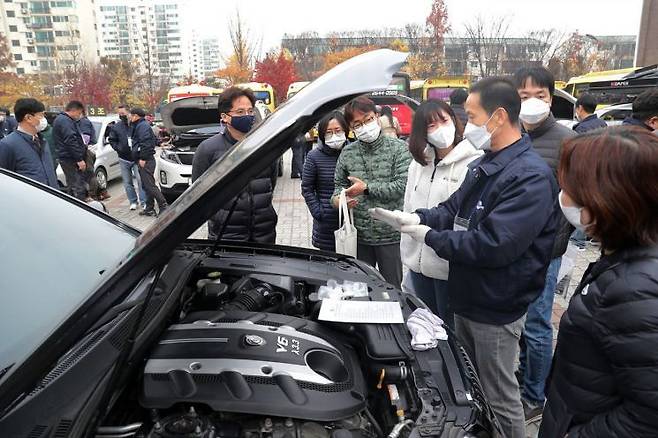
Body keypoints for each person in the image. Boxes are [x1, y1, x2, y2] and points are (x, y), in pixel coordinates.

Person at [373, 77, 559, 438]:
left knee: (499, 396)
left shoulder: (529, 176)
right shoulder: (488, 164)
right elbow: (453, 208)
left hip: (496, 303)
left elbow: (493, 245)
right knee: (472, 384)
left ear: (498, 117)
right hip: (469, 296)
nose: (466, 124)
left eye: (471, 117)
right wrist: (418, 218)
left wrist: (430, 237)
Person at [539, 126, 658, 438]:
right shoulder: (624, 256)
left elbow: (648, 416)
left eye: (570, 189)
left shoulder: (635, 290)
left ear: (608, 198)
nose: (562, 197)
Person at [513, 66, 576, 421]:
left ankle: (536, 396)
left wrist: (557, 241)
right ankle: (525, 378)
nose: (532, 103)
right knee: (520, 321)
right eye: (524, 97)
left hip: (545, 251)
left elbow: (573, 198)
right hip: (513, 249)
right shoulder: (512, 135)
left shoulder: (567, 142)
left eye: (540, 96)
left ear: (552, 98)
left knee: (537, 324)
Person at [397, 100, 482, 329]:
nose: (439, 129)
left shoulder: (473, 161)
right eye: (431, 126)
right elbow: (409, 206)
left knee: (450, 331)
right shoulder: (419, 164)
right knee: (425, 325)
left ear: (454, 120)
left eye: (443, 121)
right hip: (418, 264)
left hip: (449, 265)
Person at [332, 96, 411, 286]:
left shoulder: (398, 148)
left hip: (390, 235)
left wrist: (366, 189)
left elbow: (401, 186)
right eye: (357, 124)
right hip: (359, 237)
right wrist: (338, 200)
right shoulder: (348, 153)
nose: (364, 126)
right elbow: (337, 188)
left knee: (392, 289)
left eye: (367, 119)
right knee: (359, 289)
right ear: (351, 129)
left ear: (376, 116)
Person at [192, 86, 278, 242]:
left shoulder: (264, 145)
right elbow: (198, 195)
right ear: (225, 117)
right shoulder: (208, 149)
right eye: (240, 112)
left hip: (264, 234)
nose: (247, 115)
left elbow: (271, 182)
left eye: (250, 111)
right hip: (226, 237)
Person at [301, 111, 349, 251]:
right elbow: (307, 188)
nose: (334, 135)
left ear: (345, 130)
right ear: (322, 134)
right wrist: (319, 212)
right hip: (326, 225)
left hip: (353, 221)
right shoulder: (314, 157)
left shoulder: (354, 152)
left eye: (337, 130)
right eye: (328, 132)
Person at [0, 98, 57, 188]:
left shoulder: (42, 140)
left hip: (50, 197)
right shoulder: (7, 145)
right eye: (41, 115)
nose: (44, 119)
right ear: (28, 118)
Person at [130, 107, 168, 216]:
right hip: (145, 159)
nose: (130, 117)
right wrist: (159, 143)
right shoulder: (141, 125)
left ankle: (163, 205)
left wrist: (143, 158)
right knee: (146, 185)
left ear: (136, 116)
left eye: (131, 115)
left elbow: (145, 142)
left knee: (150, 185)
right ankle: (149, 207)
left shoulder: (142, 126)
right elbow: (151, 139)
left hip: (146, 160)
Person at [109, 105, 146, 210]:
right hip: (123, 158)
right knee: (127, 182)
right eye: (119, 114)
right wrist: (118, 148)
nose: (121, 116)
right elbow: (112, 140)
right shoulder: (116, 127)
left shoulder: (136, 125)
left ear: (129, 113)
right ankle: (133, 201)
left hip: (136, 158)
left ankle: (143, 201)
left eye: (123, 114)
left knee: (140, 180)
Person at [53, 100, 88, 200]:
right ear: (74, 110)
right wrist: (79, 159)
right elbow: (70, 140)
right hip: (70, 159)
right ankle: (80, 207)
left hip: (68, 157)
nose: (79, 115)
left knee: (73, 184)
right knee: (77, 186)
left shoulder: (64, 120)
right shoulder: (65, 121)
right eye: (79, 113)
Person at [79, 113, 111, 201]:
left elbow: (85, 138)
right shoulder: (84, 121)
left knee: (90, 174)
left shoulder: (83, 122)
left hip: (88, 150)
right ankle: (102, 192)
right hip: (89, 149)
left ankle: (93, 195)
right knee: (91, 174)